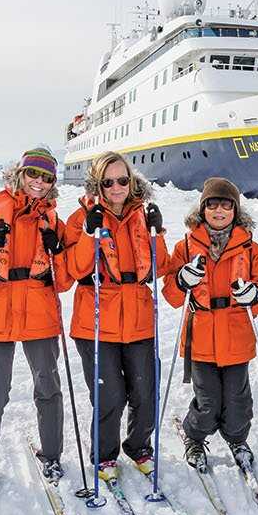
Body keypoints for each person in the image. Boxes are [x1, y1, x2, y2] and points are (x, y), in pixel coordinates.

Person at [0, 148, 73, 486]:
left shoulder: (52, 220)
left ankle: (52, 456)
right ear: (19, 174)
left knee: (48, 386)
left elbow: (64, 280)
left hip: (38, 309)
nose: (38, 182)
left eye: (46, 178)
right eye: (33, 174)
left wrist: (58, 252)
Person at [61, 152, 169, 477]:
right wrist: (87, 234)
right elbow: (73, 269)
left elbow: (160, 266)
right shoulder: (81, 217)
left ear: (132, 180)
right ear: (98, 183)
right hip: (96, 316)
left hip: (137, 314)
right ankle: (104, 454)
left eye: (123, 180)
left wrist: (157, 232)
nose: (117, 187)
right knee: (110, 395)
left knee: (146, 390)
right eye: (108, 182)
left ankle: (138, 446)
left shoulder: (143, 214)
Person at [162, 178, 258, 469]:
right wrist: (181, 280)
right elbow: (171, 295)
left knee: (237, 400)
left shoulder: (251, 248)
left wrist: (255, 294)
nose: (219, 210)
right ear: (203, 208)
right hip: (200, 335)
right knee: (208, 400)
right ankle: (195, 436)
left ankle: (237, 438)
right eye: (212, 204)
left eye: (226, 204)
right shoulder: (185, 246)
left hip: (236, 334)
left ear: (235, 210)